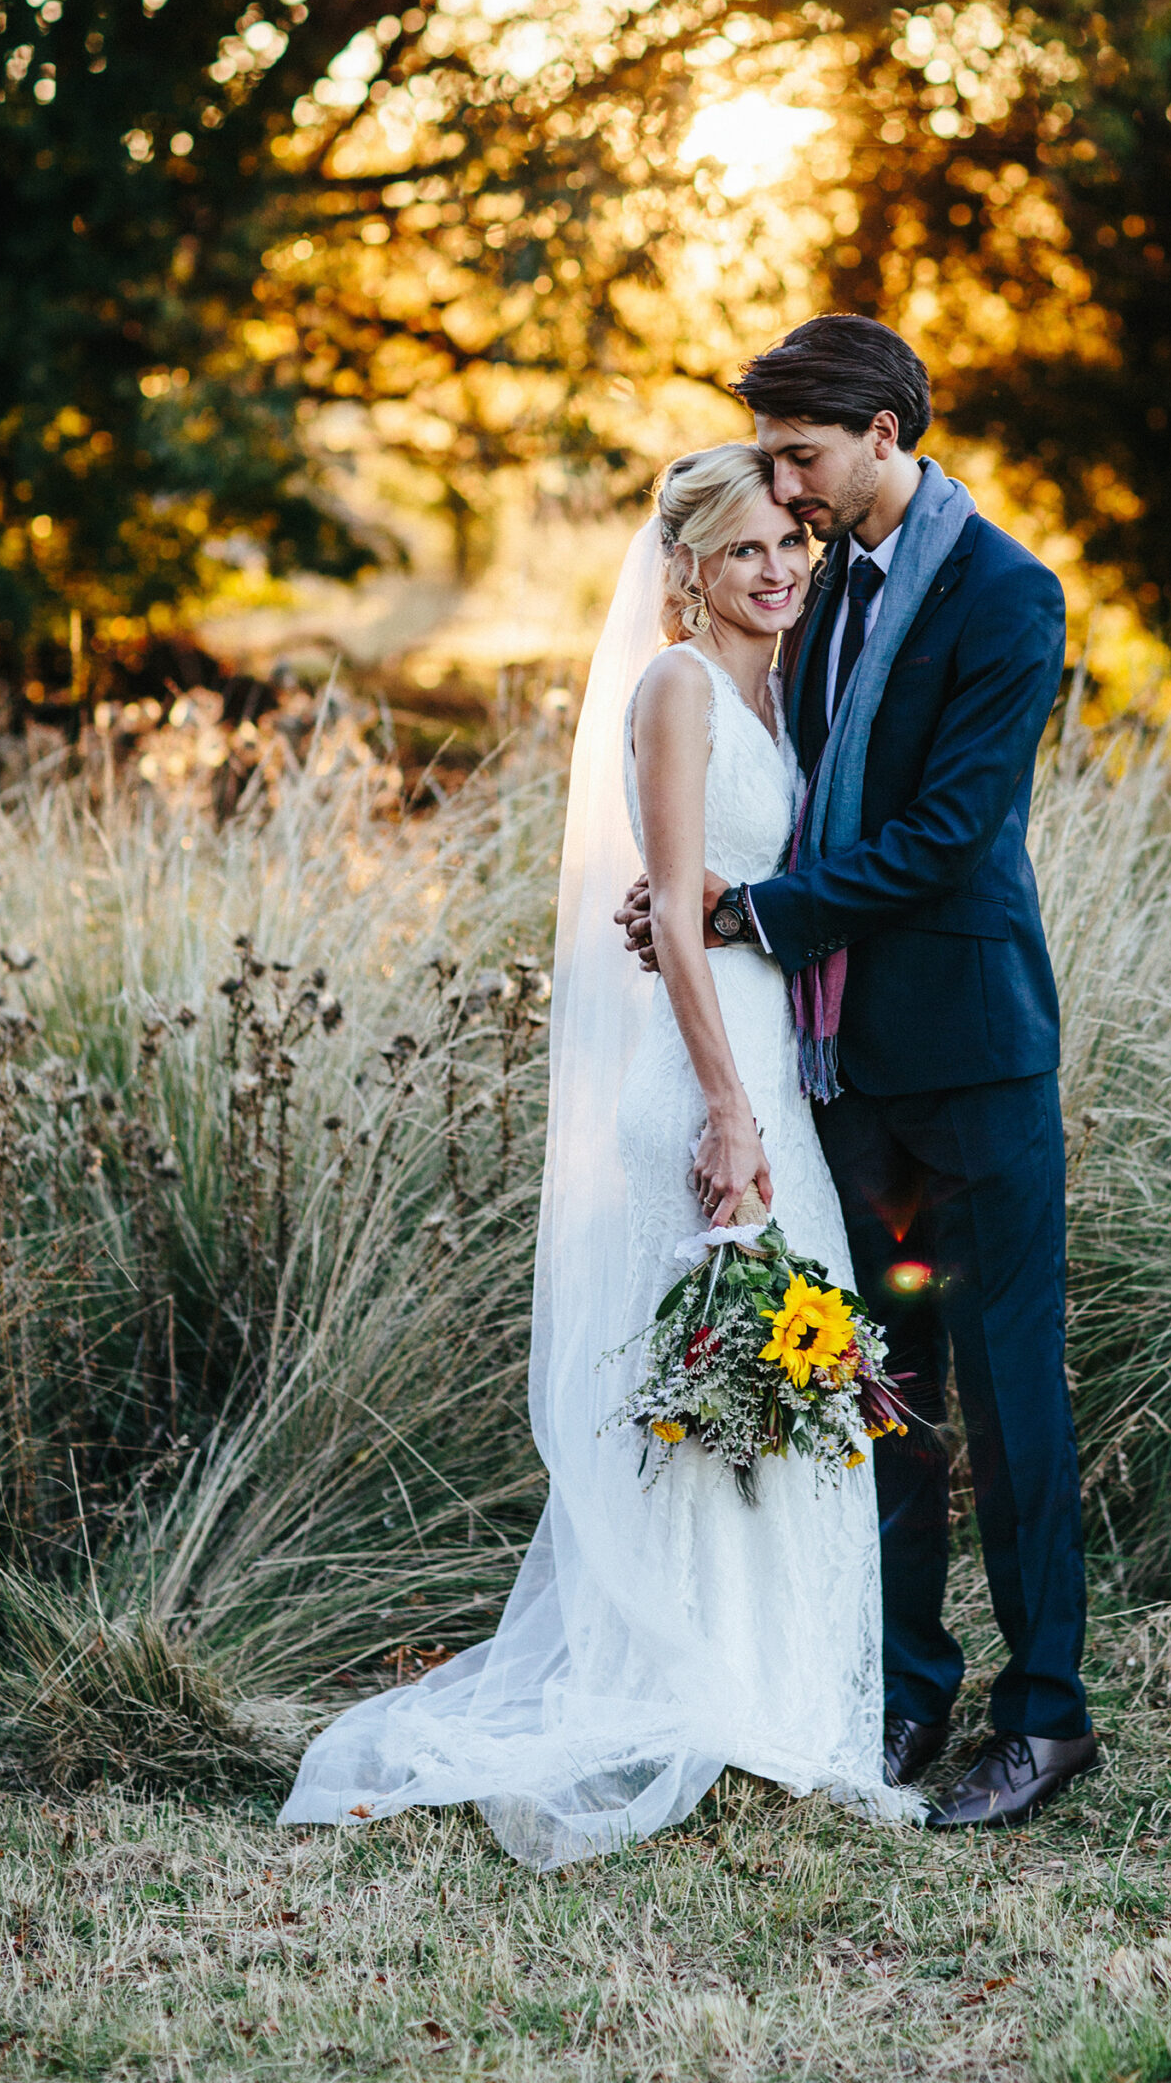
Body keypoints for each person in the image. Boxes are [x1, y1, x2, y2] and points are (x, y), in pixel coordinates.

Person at [279, 443, 921, 1866]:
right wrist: (727, 1109)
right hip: (704, 1089)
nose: (777, 571)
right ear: (685, 568)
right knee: (716, 1393)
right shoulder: (675, 692)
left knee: (783, 1384)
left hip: (773, 1077)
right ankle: (695, 1695)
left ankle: (783, 1698)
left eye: (789, 546)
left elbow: (756, 894)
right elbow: (680, 922)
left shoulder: (786, 688)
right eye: (746, 550)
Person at [619, 316, 1095, 1831]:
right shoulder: (821, 596)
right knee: (890, 1402)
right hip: (842, 1072)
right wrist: (697, 889)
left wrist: (748, 911)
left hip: (973, 1060)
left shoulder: (1007, 593)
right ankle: (906, 1692)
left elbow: (951, 834)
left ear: (886, 433)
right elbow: (796, 792)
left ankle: (1046, 1717)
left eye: (805, 458)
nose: (790, 493)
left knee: (1014, 1404)